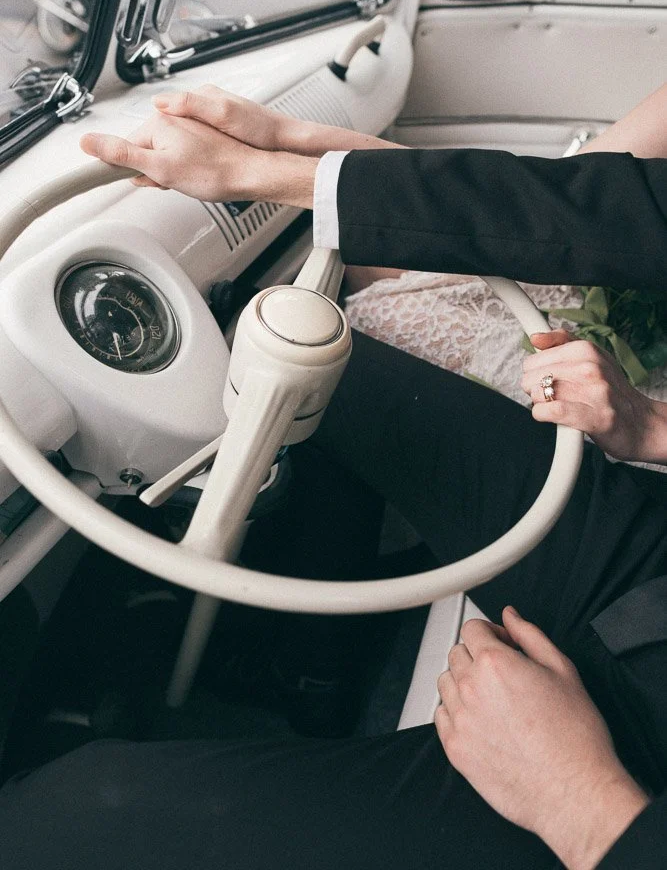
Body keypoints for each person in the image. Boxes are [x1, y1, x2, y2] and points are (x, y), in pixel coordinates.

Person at [1, 86, 666, 869]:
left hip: (631, 786)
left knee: (52, 821)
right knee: (330, 369)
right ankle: (310, 668)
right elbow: (615, 208)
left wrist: (578, 802)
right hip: (651, 570)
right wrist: (649, 429)